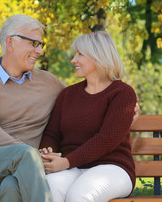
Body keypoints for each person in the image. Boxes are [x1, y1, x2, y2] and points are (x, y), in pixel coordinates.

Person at [0, 14, 140, 202]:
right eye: (34, 43)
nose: (40, 51)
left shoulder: (49, 83)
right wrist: (32, 155)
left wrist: (124, 115)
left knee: (12, 187)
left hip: (23, 172)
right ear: (10, 43)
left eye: (40, 45)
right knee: (26, 159)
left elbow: (85, 102)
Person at [39, 31, 137, 202]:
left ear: (99, 56)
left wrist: (67, 162)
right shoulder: (67, 94)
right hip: (73, 167)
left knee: (79, 196)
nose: (73, 60)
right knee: (49, 189)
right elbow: (52, 134)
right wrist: (49, 153)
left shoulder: (122, 93)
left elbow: (106, 139)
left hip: (112, 167)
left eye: (80, 54)